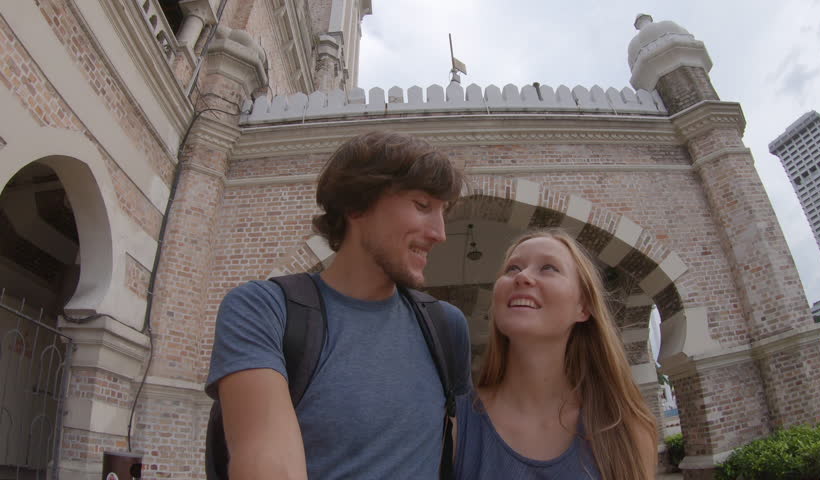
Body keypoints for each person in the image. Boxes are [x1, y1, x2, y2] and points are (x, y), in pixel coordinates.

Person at [206, 131, 471, 479]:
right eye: (422, 206)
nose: (440, 233)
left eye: (442, 213)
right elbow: (268, 464)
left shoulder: (445, 327)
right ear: (356, 205)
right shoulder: (264, 310)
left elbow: (456, 452)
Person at [454, 229, 658, 480]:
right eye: (512, 269)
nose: (523, 277)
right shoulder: (455, 424)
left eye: (549, 268)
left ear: (583, 308)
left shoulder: (625, 431)